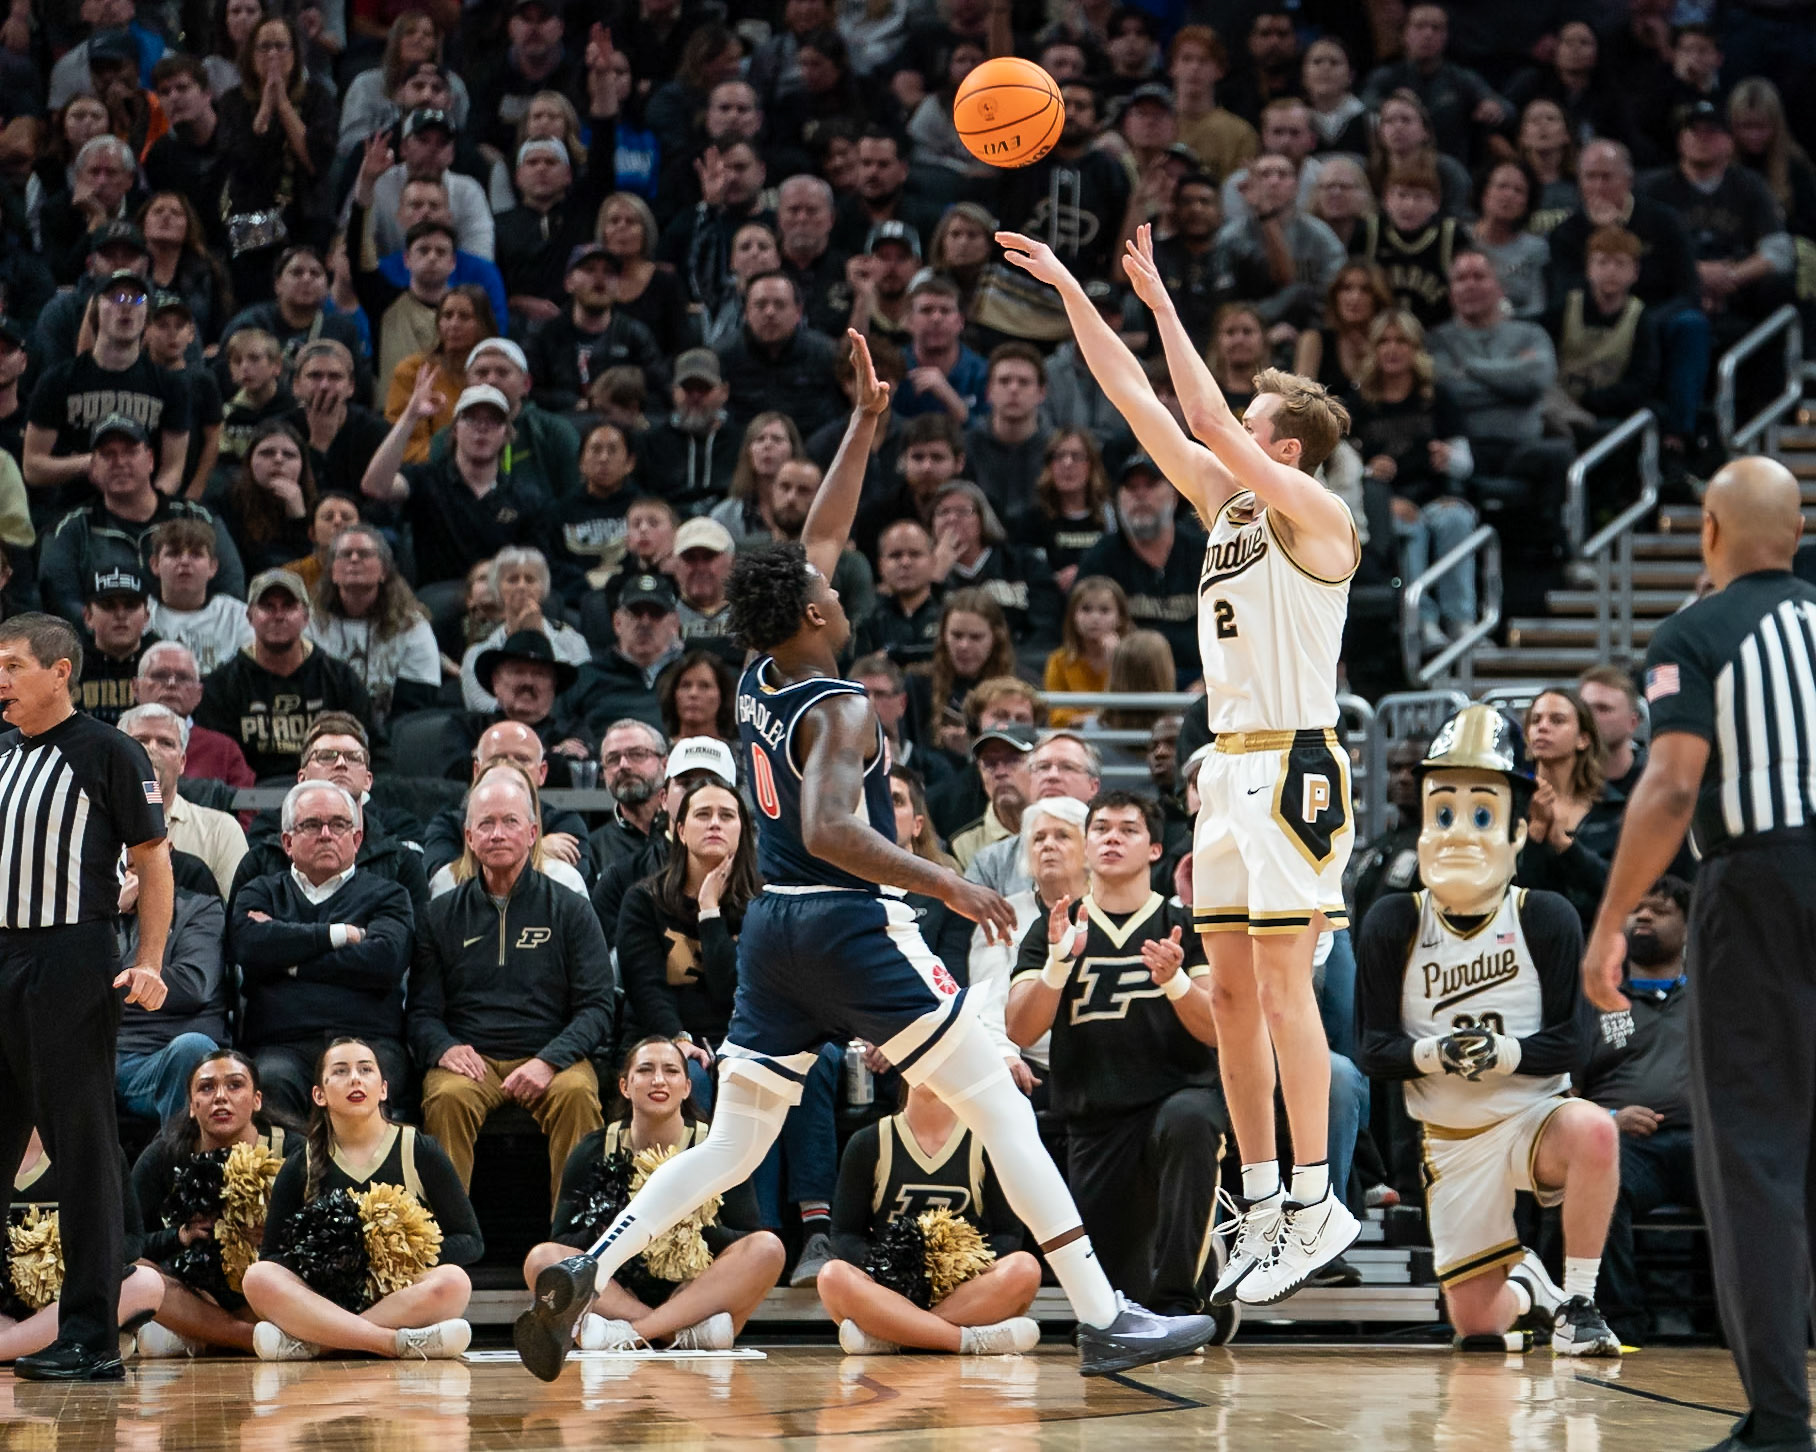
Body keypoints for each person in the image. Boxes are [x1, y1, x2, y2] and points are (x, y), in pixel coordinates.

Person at [511, 332, 1217, 1382]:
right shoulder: (838, 708)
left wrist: (869, 423)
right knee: (997, 1103)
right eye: (828, 597)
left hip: (772, 934)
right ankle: (1105, 1314)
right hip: (842, 924)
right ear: (809, 615)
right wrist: (948, 880)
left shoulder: (758, 668)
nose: (842, 597)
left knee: (731, 1145)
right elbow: (831, 829)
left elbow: (819, 535)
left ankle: (590, 1264)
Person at [1004, 224, 1360, 1305]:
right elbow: (1143, 408)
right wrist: (1074, 293)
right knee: (1233, 993)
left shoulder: (1318, 518)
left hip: (1296, 764)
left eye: (1251, 433)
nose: (1223, 442)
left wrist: (1161, 303)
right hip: (1225, 769)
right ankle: (1259, 1197)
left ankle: (1314, 1197)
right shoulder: (1227, 509)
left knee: (1287, 988)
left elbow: (1200, 412)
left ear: (1283, 450)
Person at [1579, 455, 1816, 1451]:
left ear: (1708, 534)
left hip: (1759, 885)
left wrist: (1607, 925)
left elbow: (1671, 787)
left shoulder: (1698, 629)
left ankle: (1778, 1419)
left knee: (1755, 1155)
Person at [1358, 704, 1621, 1356]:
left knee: (1594, 1129)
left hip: (1533, 1116)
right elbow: (1371, 1049)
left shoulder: (1547, 916)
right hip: (1451, 1140)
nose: (1459, 832)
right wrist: (1436, 1051)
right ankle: (1531, 1285)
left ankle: (1581, 1301)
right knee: (1477, 1326)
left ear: (1515, 829)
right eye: (1444, 812)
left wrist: (1503, 1052)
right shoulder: (1393, 920)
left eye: (1481, 813)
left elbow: (1573, 1045)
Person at [0, 611, 172, 1381]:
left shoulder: (108, 751)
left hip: (71, 955)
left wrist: (151, 958)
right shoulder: (2, 756)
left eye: (10, 666)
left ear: (60, 670)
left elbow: (154, 861)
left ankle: (90, 1336)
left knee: (81, 1149)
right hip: (2, 954)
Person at [1009, 791, 1234, 1329]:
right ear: (1085, 847)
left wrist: (1175, 981)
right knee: (1110, 1314)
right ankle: (1203, 1275)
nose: (1112, 837)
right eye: (1102, 828)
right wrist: (1059, 966)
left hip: (1173, 1101)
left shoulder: (1182, 923)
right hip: (1093, 1120)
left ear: (1155, 848)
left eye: (1128, 829)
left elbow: (1217, 1031)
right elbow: (1020, 1027)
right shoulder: (1055, 928)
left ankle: (1183, 1303)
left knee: (1190, 1120)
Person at [410, 766, 615, 1204]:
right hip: (471, 1061)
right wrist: (444, 1048)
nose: (497, 833)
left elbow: (598, 1007)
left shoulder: (572, 909)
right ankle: (442, 1248)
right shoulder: (439, 914)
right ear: (468, 836)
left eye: (510, 822)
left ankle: (574, 1244)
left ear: (533, 832)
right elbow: (421, 1012)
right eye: (485, 823)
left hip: (552, 1055)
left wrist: (549, 1061)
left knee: (579, 1093)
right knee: (446, 1096)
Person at [523, 1036, 784, 1352]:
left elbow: (744, 1236)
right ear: (625, 1086)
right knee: (542, 1259)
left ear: (687, 1087)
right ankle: (677, 1334)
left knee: (768, 1249)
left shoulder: (716, 1147)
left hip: (696, 1292)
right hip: (617, 1295)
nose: (658, 1080)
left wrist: (686, 1220)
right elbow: (562, 1238)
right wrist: (612, 1223)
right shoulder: (595, 1149)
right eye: (645, 1070)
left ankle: (630, 1334)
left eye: (672, 1071)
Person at [241, 1037, 480, 1361]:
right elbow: (272, 1253)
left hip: (398, 1292)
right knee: (258, 1278)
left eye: (365, 1070)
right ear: (319, 1094)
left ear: (382, 1088)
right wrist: (328, 1262)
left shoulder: (418, 1149)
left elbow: (469, 1240)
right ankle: (394, 1343)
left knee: (454, 1282)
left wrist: (399, 1256)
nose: (354, 1078)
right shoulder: (304, 1161)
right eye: (340, 1071)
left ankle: (319, 1344)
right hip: (327, 1295)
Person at [231, 781, 417, 1120]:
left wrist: (291, 962)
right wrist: (338, 935)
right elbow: (249, 947)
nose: (326, 834)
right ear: (287, 841)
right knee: (270, 1081)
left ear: (357, 839)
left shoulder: (389, 895)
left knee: (367, 1081)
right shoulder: (259, 891)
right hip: (281, 1045)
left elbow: (385, 961)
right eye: (312, 825)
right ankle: (285, 1176)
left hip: (369, 1042)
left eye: (339, 824)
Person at [818, 1078, 1042, 1355]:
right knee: (832, 1276)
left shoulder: (985, 1142)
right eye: (921, 1056)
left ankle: (893, 1337)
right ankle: (969, 1340)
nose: (930, 1068)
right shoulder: (869, 1142)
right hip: (889, 1290)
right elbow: (844, 1235)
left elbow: (1009, 1234)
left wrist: (960, 1267)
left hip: (965, 1291)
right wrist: (892, 1267)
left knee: (1025, 1268)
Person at [1578, 875, 1696, 1347]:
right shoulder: (1596, 999)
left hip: (1703, 1144)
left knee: (1751, 1188)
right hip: (1627, 1145)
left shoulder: (1714, 998)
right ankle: (1618, 1322)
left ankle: (1750, 1329)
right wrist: (1609, 1117)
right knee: (1597, 1178)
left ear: (1689, 928)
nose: (1643, 916)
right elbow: (1561, 1091)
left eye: (1660, 910)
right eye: (1635, 909)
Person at [130, 1049, 300, 1357]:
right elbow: (126, 1242)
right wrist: (178, 1236)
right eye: (206, 1088)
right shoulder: (163, 1157)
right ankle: (255, 1339)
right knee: (131, 1274)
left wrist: (276, 1237)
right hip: (194, 1294)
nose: (220, 1097)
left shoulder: (293, 1151)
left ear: (257, 1100)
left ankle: (196, 1335)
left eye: (235, 1085)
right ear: (192, 1106)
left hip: (267, 1292)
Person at [615, 778, 757, 1106]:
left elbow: (730, 989)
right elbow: (646, 989)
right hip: (661, 1039)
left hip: (740, 1041)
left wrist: (709, 911)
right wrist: (678, 1039)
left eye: (726, 816)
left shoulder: (761, 905)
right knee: (688, 1077)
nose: (714, 824)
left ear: (742, 830)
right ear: (680, 831)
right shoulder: (643, 901)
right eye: (703, 814)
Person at [23, 268, 193, 514]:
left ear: (147, 316)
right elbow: (32, 468)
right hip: (75, 510)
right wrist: (90, 463)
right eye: (115, 297)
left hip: (144, 512)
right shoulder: (58, 380)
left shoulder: (170, 385)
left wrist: (149, 509)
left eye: (136, 299)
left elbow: (172, 471)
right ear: (95, 310)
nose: (126, 307)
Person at [0, 1133, 165, 1368]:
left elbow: (132, 1238)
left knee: (147, 1284)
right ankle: (33, 1344)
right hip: (5, 1302)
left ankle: (21, 1343)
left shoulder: (94, 1148)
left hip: (67, 1296)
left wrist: (68, 1257)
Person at [195, 568, 372, 781]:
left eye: (288, 606)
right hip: (249, 799)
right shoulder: (221, 686)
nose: (278, 615)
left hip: (328, 793)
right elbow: (216, 762)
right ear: (249, 616)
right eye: (267, 607)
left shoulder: (341, 679)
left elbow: (373, 749)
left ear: (306, 617)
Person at [305, 524, 440, 726]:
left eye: (365, 554)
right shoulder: (309, 623)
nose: (354, 559)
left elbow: (416, 703)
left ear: (384, 571)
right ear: (332, 572)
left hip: (391, 737)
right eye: (345, 554)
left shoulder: (412, 626)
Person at [120, 701, 247, 900]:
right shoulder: (87, 824)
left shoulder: (221, 831)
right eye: (140, 740)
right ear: (116, 755)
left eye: (166, 743)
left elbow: (235, 917)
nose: (151, 749)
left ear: (182, 763)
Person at [1519, 688, 1621, 932]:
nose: (1542, 727)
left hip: (1596, 942)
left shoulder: (1614, 809)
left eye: (1557, 720)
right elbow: (1508, 893)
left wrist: (1563, 844)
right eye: (1536, 720)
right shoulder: (1509, 805)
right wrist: (1536, 832)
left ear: (1583, 739)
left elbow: (1618, 887)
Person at [462, 547, 592, 713]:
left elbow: (580, 695)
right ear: (498, 589)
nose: (522, 586)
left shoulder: (570, 640)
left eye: (530, 579)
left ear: (542, 589)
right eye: (512, 580)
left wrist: (540, 637)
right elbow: (481, 707)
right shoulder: (477, 653)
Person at [133, 640, 256, 790]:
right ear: (136, 688)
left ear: (199, 693)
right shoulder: (114, 743)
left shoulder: (224, 750)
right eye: (160, 676)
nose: (171, 684)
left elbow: (247, 808)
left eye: (183, 678)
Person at [146, 519, 253, 676]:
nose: (184, 562)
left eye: (196, 555)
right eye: (174, 553)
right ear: (155, 564)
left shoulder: (238, 616)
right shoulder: (140, 613)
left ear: (213, 567)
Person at [1044, 579, 1128, 727]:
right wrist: (1097, 719)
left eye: (1104, 610)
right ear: (1073, 616)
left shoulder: (1132, 659)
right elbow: (1056, 715)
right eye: (1086, 609)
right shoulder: (1058, 660)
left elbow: (1128, 711)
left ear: (1120, 618)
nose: (1095, 618)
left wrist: (1115, 662)